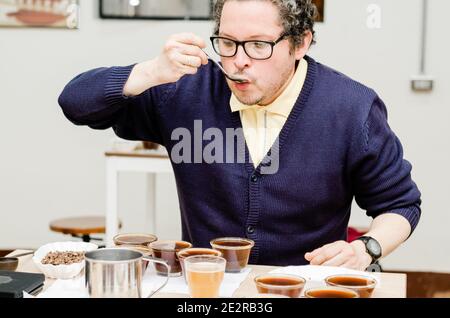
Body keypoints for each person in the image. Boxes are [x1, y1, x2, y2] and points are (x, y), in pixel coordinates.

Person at [58, 0, 421, 270]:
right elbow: (75, 103)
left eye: (259, 45)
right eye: (227, 42)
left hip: (305, 285)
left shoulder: (351, 107)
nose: (238, 61)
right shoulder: (185, 92)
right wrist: (152, 71)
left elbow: (400, 204)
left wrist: (366, 248)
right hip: (208, 288)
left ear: (301, 43)